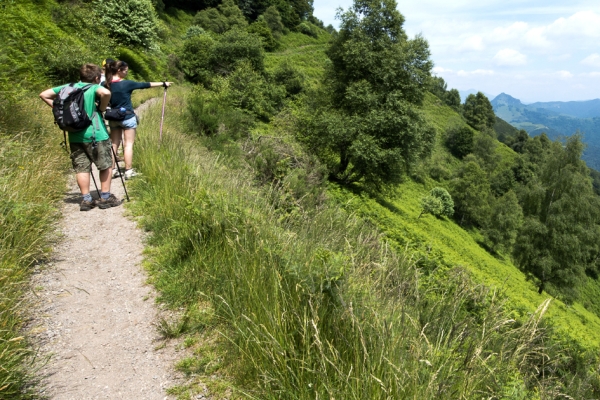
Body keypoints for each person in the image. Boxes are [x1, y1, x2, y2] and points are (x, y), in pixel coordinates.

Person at [39, 63, 121, 211]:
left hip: (75, 136)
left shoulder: (68, 87)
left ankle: (86, 200)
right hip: (96, 134)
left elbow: (43, 94)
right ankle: (105, 197)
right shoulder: (94, 87)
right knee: (105, 165)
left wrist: (59, 109)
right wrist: (101, 108)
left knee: (82, 168)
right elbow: (106, 93)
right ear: (96, 78)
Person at [104, 60, 172, 179]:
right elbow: (145, 85)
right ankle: (128, 171)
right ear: (119, 70)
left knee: (114, 144)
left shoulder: (106, 84)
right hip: (127, 117)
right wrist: (163, 83)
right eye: (125, 71)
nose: (126, 73)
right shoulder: (127, 84)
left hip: (113, 117)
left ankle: (112, 169)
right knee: (128, 144)